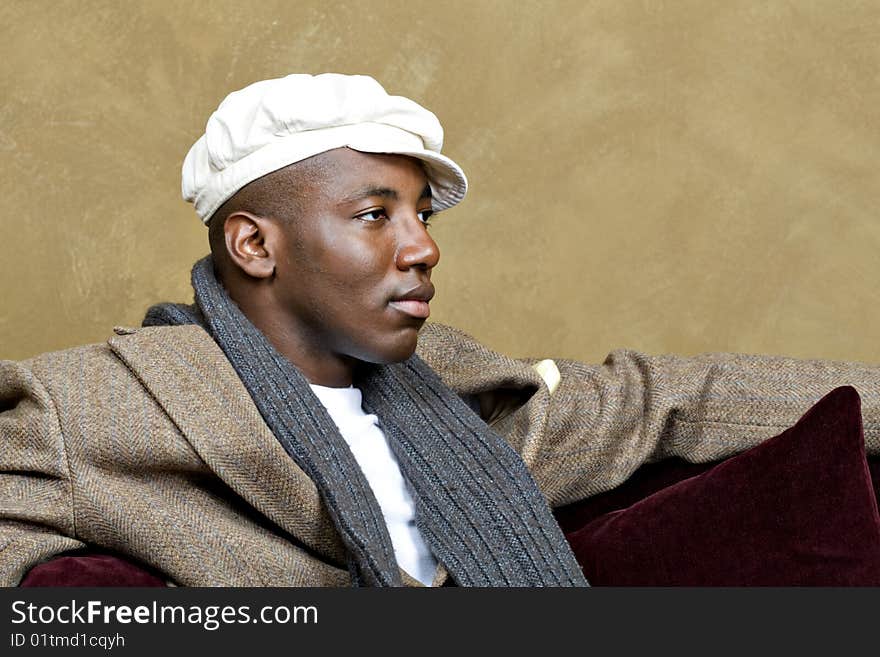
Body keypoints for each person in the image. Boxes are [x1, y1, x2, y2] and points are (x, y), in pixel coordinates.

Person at [1, 73, 879, 587]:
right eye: (375, 214)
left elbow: (664, 402)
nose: (422, 248)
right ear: (254, 244)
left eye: (421, 214)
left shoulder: (464, 395)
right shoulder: (91, 407)